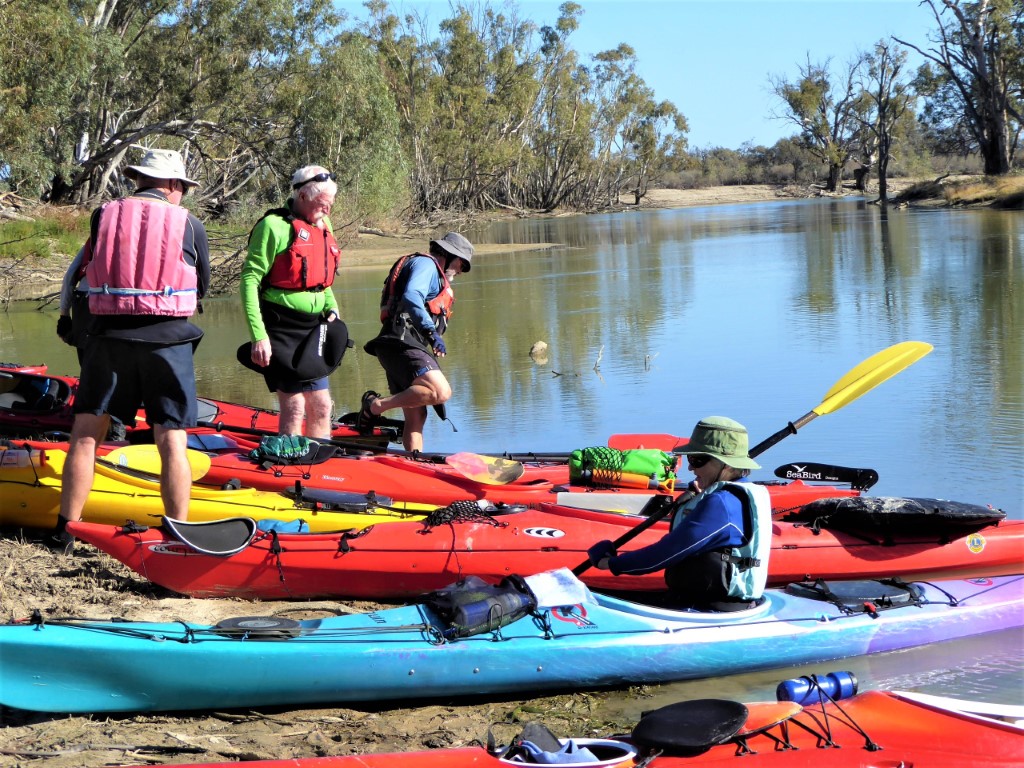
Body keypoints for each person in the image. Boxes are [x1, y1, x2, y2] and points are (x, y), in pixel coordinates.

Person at [52, 148, 210, 552]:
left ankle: (65, 531)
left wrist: (67, 319)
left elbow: (79, 271)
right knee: (172, 438)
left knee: (87, 433)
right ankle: (178, 535)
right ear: (174, 185)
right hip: (169, 339)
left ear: (139, 179)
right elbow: (202, 286)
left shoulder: (103, 214)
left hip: (108, 336)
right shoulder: (189, 224)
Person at [587, 417, 773, 611]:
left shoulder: (721, 504)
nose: (691, 467)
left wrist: (609, 563)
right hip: (715, 603)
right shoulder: (737, 495)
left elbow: (664, 554)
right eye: (690, 459)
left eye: (697, 460)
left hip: (709, 610)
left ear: (726, 464)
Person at [238, 165, 347, 439]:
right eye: (323, 205)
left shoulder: (323, 224)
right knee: (295, 404)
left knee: (322, 405)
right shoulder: (272, 226)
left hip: (313, 327)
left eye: (330, 205)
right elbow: (249, 281)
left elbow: (322, 279)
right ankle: (289, 462)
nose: (328, 212)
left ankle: (317, 463)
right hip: (281, 328)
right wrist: (258, 336)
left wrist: (331, 307)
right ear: (303, 197)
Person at [360, 232, 474, 452]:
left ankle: (415, 461)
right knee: (441, 392)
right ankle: (375, 406)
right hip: (401, 342)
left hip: (396, 345)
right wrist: (431, 332)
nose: (461, 271)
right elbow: (412, 295)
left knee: (417, 415)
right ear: (449, 255)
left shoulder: (429, 269)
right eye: (462, 264)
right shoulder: (426, 265)